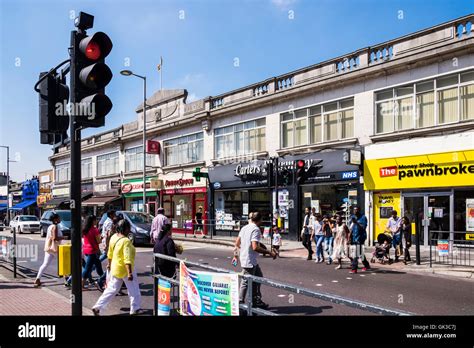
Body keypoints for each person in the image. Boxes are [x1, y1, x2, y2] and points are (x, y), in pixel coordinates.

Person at [92, 219, 142, 316]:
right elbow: (127, 259)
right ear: (126, 229)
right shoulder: (126, 241)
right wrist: (129, 273)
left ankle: (97, 307)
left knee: (111, 290)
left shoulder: (113, 237)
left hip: (115, 268)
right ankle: (134, 309)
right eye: (129, 228)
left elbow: (109, 253)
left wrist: (110, 265)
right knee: (133, 290)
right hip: (125, 269)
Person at [233, 212, 276, 310]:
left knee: (258, 277)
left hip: (247, 258)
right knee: (245, 281)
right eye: (261, 220)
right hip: (249, 260)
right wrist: (269, 252)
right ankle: (240, 303)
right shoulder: (256, 229)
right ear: (259, 220)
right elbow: (255, 247)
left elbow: (237, 243)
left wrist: (237, 254)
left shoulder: (244, 227)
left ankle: (255, 300)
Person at [34, 213, 65, 287]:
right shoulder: (55, 227)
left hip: (49, 248)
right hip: (55, 248)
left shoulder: (50, 226)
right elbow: (55, 238)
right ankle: (67, 279)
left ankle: (38, 278)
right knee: (64, 262)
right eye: (59, 218)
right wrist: (63, 237)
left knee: (45, 264)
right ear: (55, 219)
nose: (60, 219)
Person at [81, 215, 105, 291]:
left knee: (98, 265)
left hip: (86, 250)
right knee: (88, 268)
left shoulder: (85, 229)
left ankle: (103, 281)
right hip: (93, 251)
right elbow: (98, 241)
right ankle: (81, 284)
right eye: (95, 220)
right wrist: (102, 237)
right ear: (93, 221)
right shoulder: (95, 230)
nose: (97, 221)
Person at [349, 206, 370, 274]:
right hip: (354, 237)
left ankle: (354, 269)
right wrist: (349, 236)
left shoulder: (363, 217)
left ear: (359, 210)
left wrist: (357, 222)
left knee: (356, 253)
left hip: (360, 237)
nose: (355, 211)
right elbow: (351, 228)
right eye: (354, 210)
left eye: (357, 209)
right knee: (360, 253)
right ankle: (366, 265)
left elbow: (363, 227)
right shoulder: (352, 217)